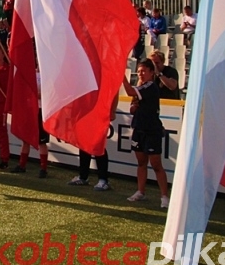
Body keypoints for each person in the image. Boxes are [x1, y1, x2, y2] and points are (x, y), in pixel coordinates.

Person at [122, 58, 169, 208]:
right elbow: (132, 108)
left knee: (156, 164)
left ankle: (164, 197)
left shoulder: (150, 86)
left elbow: (129, 92)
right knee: (141, 162)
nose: (140, 73)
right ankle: (141, 191)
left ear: (151, 72)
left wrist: (121, 75)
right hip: (139, 128)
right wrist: (134, 108)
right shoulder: (141, 87)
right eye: (139, 71)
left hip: (151, 130)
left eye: (143, 71)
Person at [67, 95, 119, 190]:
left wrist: (113, 110)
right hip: (85, 110)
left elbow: (114, 90)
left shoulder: (104, 79)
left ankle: (103, 180)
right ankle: (83, 176)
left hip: (100, 111)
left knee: (98, 143)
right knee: (84, 142)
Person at [10, 63, 49, 177]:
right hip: (29, 110)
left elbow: (46, 94)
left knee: (41, 141)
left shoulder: (46, 76)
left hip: (41, 110)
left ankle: (43, 168)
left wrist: (35, 94)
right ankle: (22, 165)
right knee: (25, 139)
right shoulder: (31, 75)